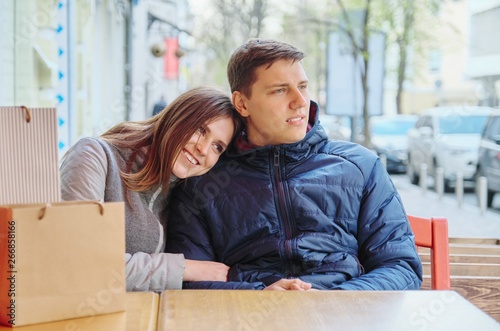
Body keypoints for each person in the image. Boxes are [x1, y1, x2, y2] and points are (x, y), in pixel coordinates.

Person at [165, 39, 422, 290]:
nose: (300, 101)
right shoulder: (203, 184)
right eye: (280, 90)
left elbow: (400, 266)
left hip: (345, 317)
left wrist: (337, 302)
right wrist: (259, 297)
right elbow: (192, 279)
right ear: (242, 103)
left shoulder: (360, 166)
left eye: (303, 86)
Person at [60, 86, 244, 292]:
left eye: (217, 147)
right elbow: (81, 264)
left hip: (141, 319)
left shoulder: (183, 194)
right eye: (201, 130)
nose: (203, 149)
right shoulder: (93, 156)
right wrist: (186, 269)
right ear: (176, 117)